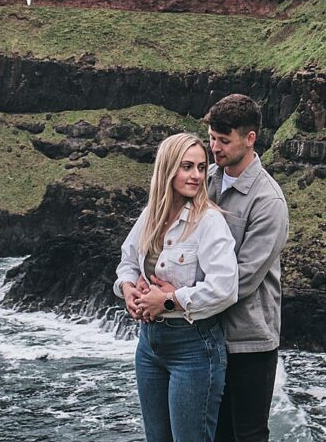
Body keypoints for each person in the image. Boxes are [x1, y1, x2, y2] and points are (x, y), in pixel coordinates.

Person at [116, 133, 238, 442]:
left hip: (193, 348)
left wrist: (169, 301)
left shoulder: (209, 221)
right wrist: (128, 288)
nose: (197, 176)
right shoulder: (151, 214)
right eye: (187, 167)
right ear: (168, 168)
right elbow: (128, 260)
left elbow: (225, 288)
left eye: (200, 167)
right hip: (149, 345)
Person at [204, 94, 290, 442]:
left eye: (224, 141)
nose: (215, 148)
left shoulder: (268, 201)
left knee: (249, 434)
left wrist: (176, 301)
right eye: (211, 138)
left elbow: (241, 280)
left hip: (250, 341)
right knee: (216, 432)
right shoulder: (205, 181)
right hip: (208, 336)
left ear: (250, 138)